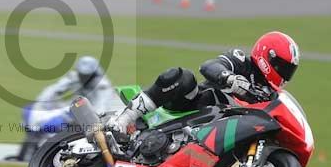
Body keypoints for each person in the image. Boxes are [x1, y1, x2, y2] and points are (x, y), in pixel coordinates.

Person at [107, 32, 300, 135]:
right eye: (283, 67)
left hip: (221, 132)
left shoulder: (270, 94)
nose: (284, 74)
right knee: (184, 77)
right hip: (192, 108)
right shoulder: (242, 61)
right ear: (269, 57)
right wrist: (231, 79)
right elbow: (209, 66)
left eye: (289, 70)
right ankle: (124, 118)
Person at [14, 56, 121, 160]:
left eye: (86, 75)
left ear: (94, 74)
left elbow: (100, 108)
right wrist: (41, 105)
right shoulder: (75, 77)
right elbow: (53, 90)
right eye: (82, 75)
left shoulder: (103, 86)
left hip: (94, 117)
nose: (83, 78)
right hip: (76, 108)